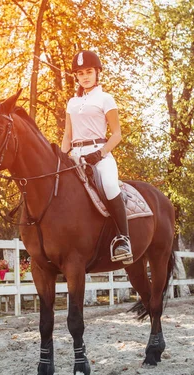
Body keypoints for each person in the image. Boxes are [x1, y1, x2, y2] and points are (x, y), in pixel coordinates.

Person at [60, 50, 133, 264]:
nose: (85, 76)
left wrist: (99, 154)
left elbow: (117, 134)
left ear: (97, 72)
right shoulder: (72, 103)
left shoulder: (105, 99)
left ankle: (124, 239)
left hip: (100, 154)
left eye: (89, 71)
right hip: (76, 155)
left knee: (110, 186)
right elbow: (67, 135)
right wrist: (62, 156)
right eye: (80, 73)